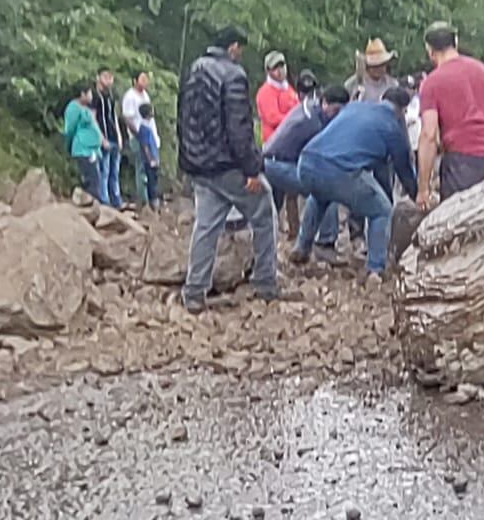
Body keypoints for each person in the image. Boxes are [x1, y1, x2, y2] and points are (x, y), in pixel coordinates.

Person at [177, 25, 283, 312]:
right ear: (233, 47)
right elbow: (239, 128)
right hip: (227, 164)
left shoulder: (193, 69)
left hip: (199, 164)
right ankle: (265, 281)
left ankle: (194, 291)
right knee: (264, 212)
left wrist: (187, 160)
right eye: (240, 49)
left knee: (206, 226)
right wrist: (252, 168)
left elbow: (183, 118)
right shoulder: (233, 75)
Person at [291, 87, 417, 280]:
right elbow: (403, 169)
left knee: (320, 197)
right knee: (381, 210)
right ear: (402, 110)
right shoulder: (392, 127)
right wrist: (417, 194)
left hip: (307, 161)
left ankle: (302, 248)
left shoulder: (354, 107)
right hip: (339, 170)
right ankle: (376, 268)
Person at [416, 22, 484, 205]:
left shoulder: (432, 83)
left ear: (429, 50)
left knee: (459, 219)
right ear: (455, 42)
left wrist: (423, 189)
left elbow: (429, 135)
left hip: (461, 164)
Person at [265, 85, 351, 258]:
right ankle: (324, 243)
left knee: (320, 190)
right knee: (326, 190)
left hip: (274, 158)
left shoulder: (311, 107)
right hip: (278, 163)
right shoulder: (313, 124)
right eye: (335, 110)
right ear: (325, 103)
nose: (338, 115)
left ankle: (302, 247)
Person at [91, 68, 126, 208]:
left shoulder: (110, 96)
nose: (109, 80)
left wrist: (119, 135)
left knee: (114, 171)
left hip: (114, 137)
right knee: (104, 171)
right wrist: (101, 138)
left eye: (111, 77)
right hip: (103, 136)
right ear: (98, 77)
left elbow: (114, 117)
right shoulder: (94, 96)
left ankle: (116, 200)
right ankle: (104, 200)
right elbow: (93, 118)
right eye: (105, 76)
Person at [62, 84, 105, 202]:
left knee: (96, 178)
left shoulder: (85, 108)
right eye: (89, 93)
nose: (91, 96)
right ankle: (92, 203)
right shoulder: (73, 108)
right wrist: (68, 145)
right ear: (82, 94)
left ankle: (94, 201)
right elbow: (69, 129)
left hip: (92, 149)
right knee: (92, 178)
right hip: (83, 148)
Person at [120, 70, 151, 202]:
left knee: (149, 166)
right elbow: (127, 118)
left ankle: (150, 197)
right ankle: (143, 200)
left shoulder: (145, 95)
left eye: (146, 79)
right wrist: (137, 134)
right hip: (137, 135)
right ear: (134, 81)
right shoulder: (130, 96)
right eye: (142, 79)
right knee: (141, 167)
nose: (145, 81)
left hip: (147, 134)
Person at [256, 51, 298, 144]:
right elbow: (273, 118)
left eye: (282, 65)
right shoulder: (265, 92)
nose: (280, 70)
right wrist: (295, 119)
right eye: (275, 68)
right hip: (274, 144)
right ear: (268, 71)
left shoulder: (289, 89)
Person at [350, 38, 399, 105]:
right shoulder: (354, 83)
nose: (379, 69)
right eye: (374, 66)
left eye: (381, 65)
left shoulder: (393, 84)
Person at [135, 99, 162, 209]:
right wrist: (150, 159)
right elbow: (145, 146)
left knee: (154, 179)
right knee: (151, 181)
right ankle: (152, 203)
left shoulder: (148, 126)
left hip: (154, 157)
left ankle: (154, 202)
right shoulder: (144, 128)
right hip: (150, 160)